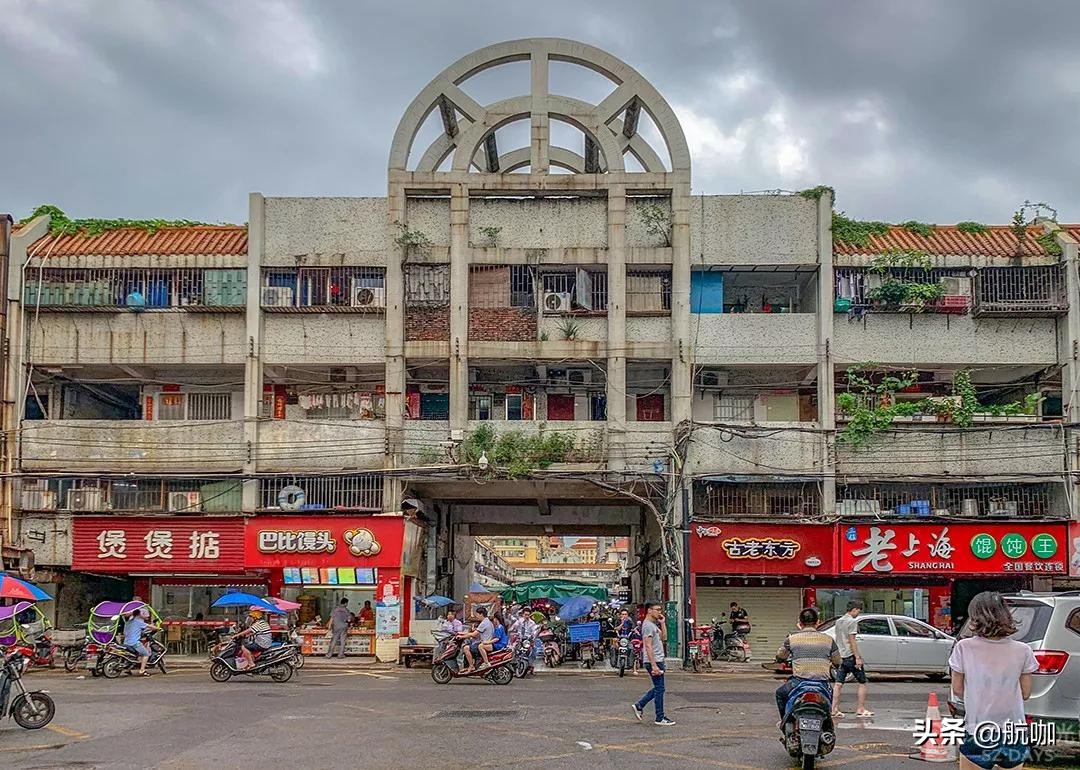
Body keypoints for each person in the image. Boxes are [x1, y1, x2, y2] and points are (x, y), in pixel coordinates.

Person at [949, 592, 1038, 770]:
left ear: (975, 617)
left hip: (978, 729)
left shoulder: (964, 647)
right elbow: (1026, 693)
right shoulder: (1023, 650)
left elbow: (957, 689)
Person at [775, 607, 842, 723]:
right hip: (822, 683)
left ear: (800, 623)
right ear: (818, 622)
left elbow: (780, 657)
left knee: (780, 694)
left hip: (798, 682)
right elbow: (838, 662)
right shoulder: (829, 640)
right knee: (829, 699)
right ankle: (827, 725)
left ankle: (785, 722)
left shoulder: (791, 639)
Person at [632, 602, 675, 726]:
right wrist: (654, 665)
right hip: (654, 661)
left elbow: (664, 637)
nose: (659, 612)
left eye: (660, 610)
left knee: (659, 688)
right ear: (649, 610)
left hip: (658, 660)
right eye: (657, 609)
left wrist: (663, 623)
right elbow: (648, 646)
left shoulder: (653, 625)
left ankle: (639, 705)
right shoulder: (647, 626)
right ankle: (659, 717)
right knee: (660, 689)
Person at [831, 599, 872, 718]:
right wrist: (857, 657)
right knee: (862, 682)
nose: (858, 613)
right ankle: (861, 708)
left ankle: (834, 709)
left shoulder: (838, 621)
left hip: (841, 655)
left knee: (838, 683)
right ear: (854, 609)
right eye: (858, 610)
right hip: (850, 655)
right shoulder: (852, 622)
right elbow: (852, 641)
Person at [122, 608, 160, 677]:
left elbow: (142, 629)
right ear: (139, 614)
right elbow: (149, 626)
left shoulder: (128, 621)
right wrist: (158, 628)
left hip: (126, 642)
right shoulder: (138, 622)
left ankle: (128, 669)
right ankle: (142, 670)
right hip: (134, 643)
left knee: (135, 655)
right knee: (146, 654)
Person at [460, 607, 494, 673]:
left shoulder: (484, 623)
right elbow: (475, 633)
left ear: (481, 614)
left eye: (477, 614)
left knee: (466, 648)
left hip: (484, 644)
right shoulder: (488, 622)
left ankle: (471, 666)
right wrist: (462, 633)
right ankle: (469, 666)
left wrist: (462, 636)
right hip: (486, 643)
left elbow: (474, 634)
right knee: (470, 644)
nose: (476, 616)